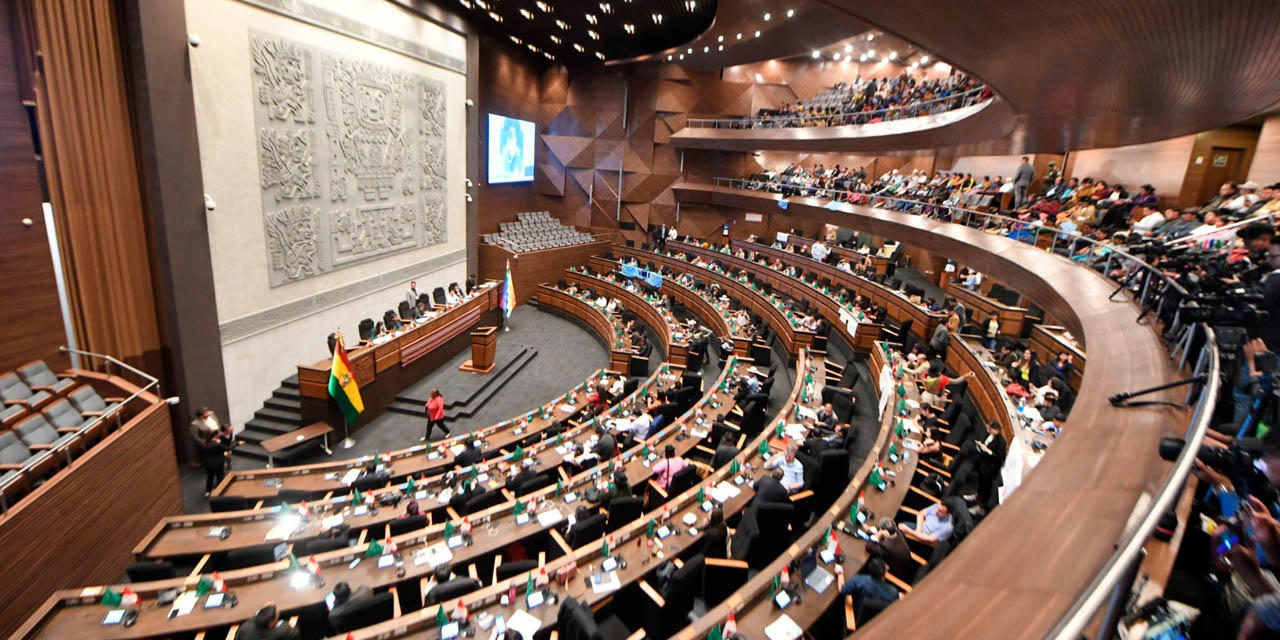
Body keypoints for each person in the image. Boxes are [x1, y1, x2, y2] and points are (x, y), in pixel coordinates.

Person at [835, 557, 899, 620]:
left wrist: (840, 573)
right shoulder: (894, 592)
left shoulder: (858, 580)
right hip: (880, 620)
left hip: (859, 616)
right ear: (885, 572)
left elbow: (842, 589)